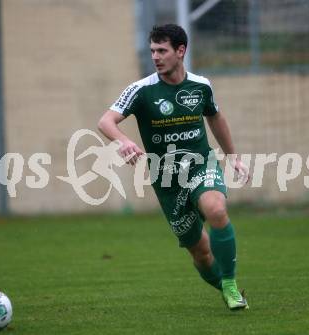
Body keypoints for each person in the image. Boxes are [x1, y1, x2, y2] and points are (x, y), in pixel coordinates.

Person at [98, 24, 250, 310]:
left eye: (162, 50)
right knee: (201, 252)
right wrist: (123, 141)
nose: (155, 56)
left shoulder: (201, 85)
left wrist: (233, 157)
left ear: (180, 51)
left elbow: (215, 117)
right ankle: (225, 287)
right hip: (167, 179)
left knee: (216, 210)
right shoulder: (140, 90)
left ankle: (230, 283)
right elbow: (106, 121)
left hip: (201, 164)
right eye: (152, 50)